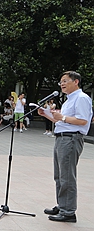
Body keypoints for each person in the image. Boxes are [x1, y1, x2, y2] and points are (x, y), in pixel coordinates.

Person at [39, 71, 92, 223]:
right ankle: (62, 205)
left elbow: (83, 121)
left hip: (71, 139)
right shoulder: (69, 100)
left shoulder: (82, 98)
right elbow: (63, 121)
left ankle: (68, 212)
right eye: (61, 82)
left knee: (67, 176)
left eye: (65, 81)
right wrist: (46, 115)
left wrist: (62, 116)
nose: (62, 84)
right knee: (59, 175)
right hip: (61, 138)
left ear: (76, 82)